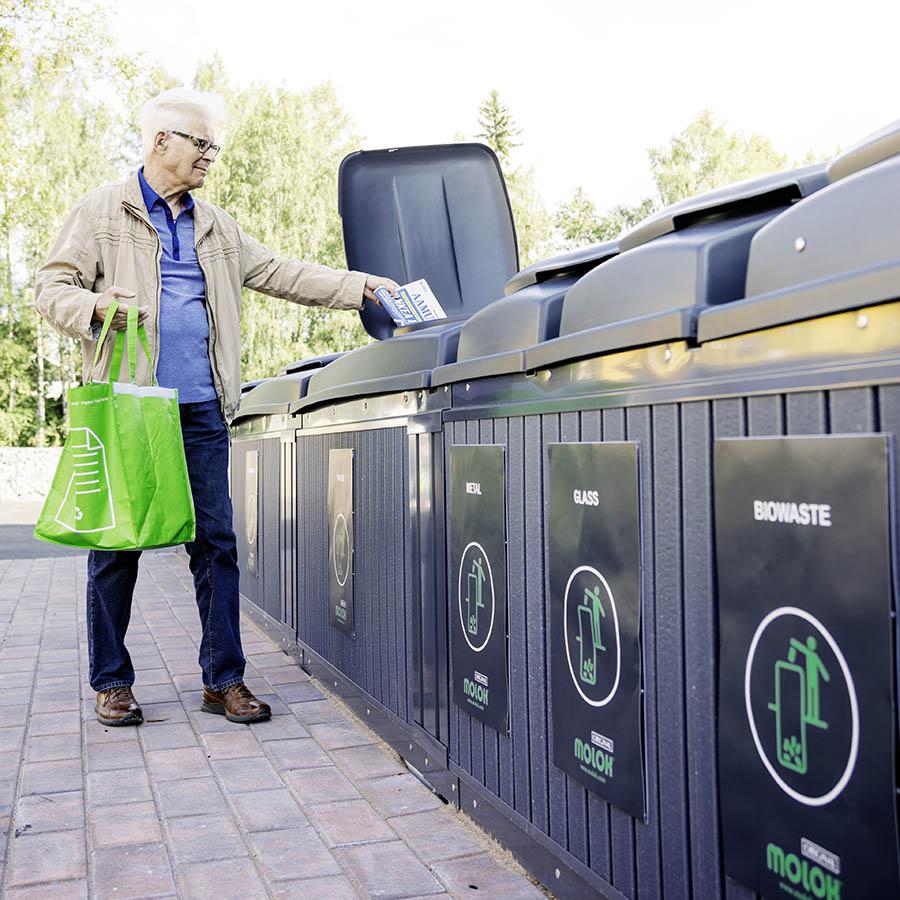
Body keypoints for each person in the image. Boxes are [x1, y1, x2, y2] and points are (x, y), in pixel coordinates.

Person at [34, 88, 399, 727]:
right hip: (130, 409)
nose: (210, 155)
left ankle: (223, 679)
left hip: (202, 409)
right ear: (161, 142)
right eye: (201, 143)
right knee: (117, 548)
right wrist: (94, 307)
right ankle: (112, 682)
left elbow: (280, 272)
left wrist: (360, 286)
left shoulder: (216, 226)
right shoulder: (102, 212)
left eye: (213, 145)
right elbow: (50, 287)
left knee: (217, 545)